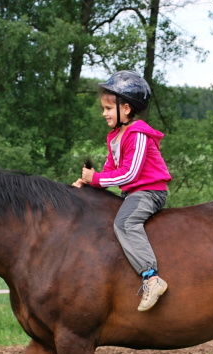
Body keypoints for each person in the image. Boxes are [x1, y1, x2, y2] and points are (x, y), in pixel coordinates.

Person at [72, 70, 172, 311]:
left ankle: (151, 278)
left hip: (149, 192)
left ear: (126, 108)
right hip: (133, 193)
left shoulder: (137, 134)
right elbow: (110, 170)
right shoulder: (115, 137)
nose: (104, 113)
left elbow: (130, 174)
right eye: (103, 108)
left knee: (125, 223)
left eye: (108, 108)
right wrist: (89, 182)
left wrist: (96, 178)